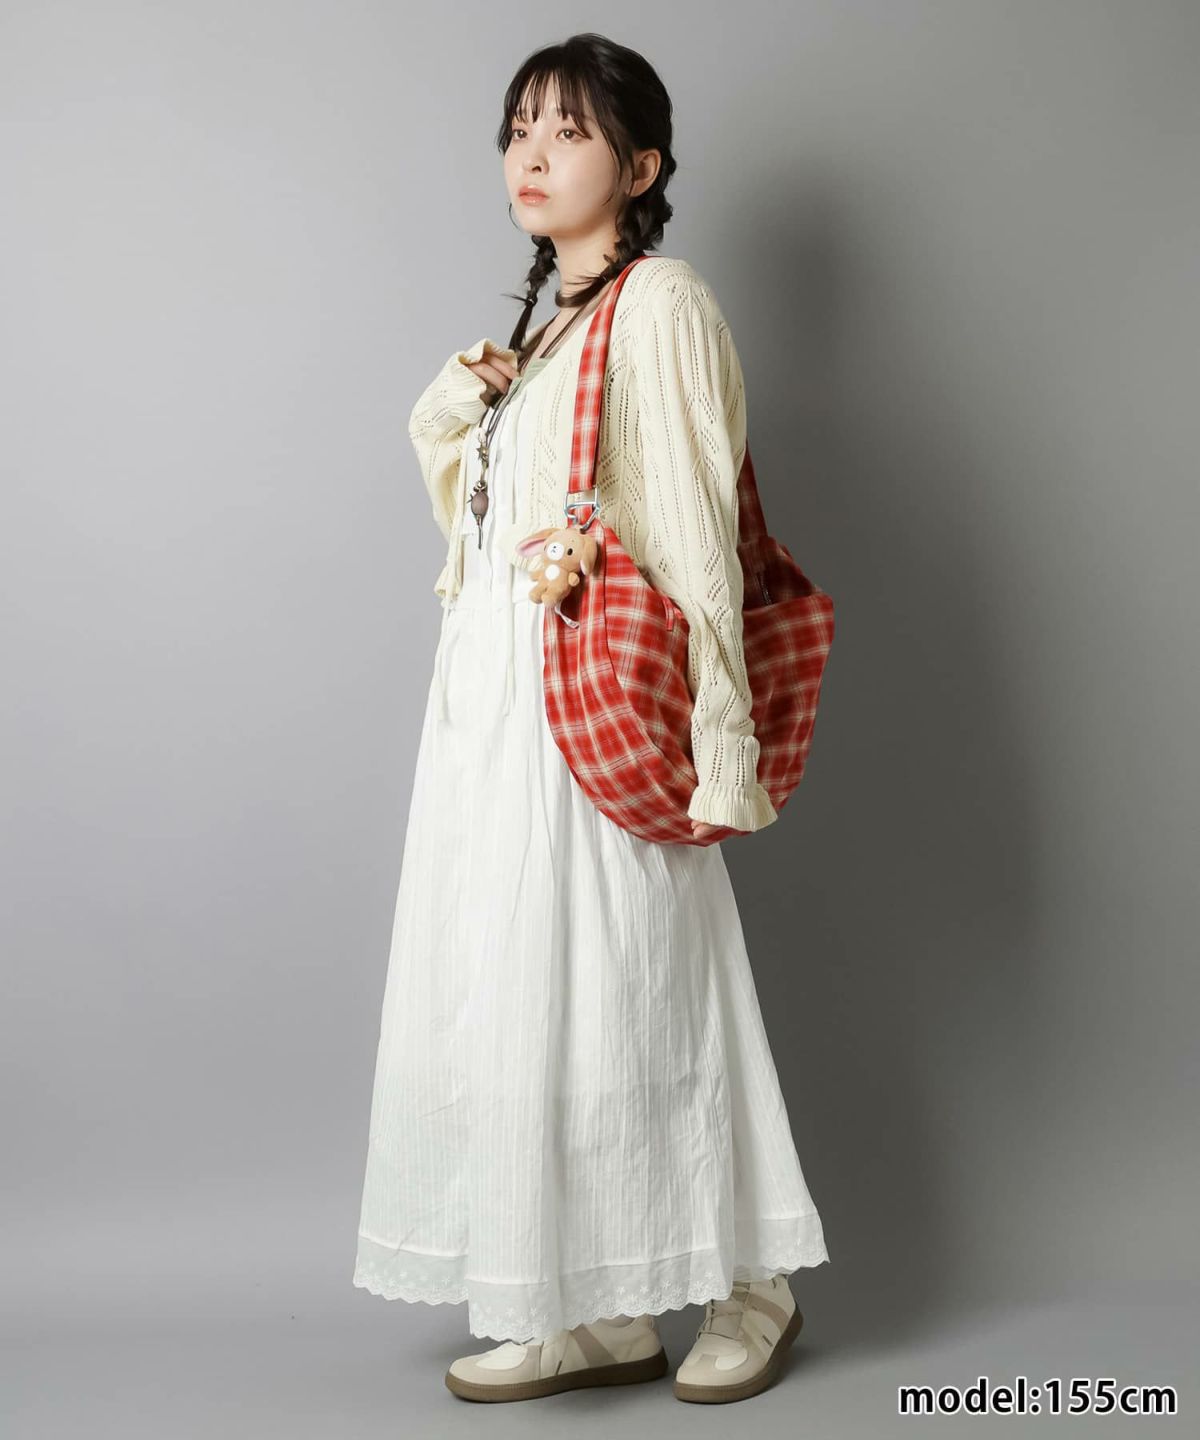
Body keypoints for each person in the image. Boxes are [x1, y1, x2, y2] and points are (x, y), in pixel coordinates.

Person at [353, 32, 830, 1405]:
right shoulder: (542, 327)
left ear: (641, 165)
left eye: (568, 132)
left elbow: (695, 532)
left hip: (596, 705)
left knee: (647, 975)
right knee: (530, 992)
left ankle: (756, 1282)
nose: (532, 154)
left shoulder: (660, 304)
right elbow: (481, 522)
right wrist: (471, 397)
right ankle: (590, 1305)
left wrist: (719, 738)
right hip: (501, 716)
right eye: (519, 128)